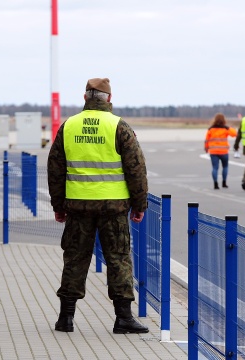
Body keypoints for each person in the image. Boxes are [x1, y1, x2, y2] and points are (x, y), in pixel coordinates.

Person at [47, 77, 149, 334]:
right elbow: (136, 169)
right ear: (109, 99)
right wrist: (140, 204)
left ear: (85, 98)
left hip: (78, 207)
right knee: (118, 259)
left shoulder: (68, 126)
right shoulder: (118, 126)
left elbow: (55, 170)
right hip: (113, 208)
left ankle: (65, 318)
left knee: (75, 259)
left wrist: (58, 205)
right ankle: (123, 318)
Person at [204, 113, 237, 189]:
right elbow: (235, 134)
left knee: (215, 168)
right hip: (223, 151)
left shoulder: (211, 129)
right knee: (225, 167)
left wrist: (206, 148)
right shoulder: (225, 129)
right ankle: (224, 182)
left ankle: (215, 183)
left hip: (213, 151)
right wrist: (228, 127)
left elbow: (206, 140)